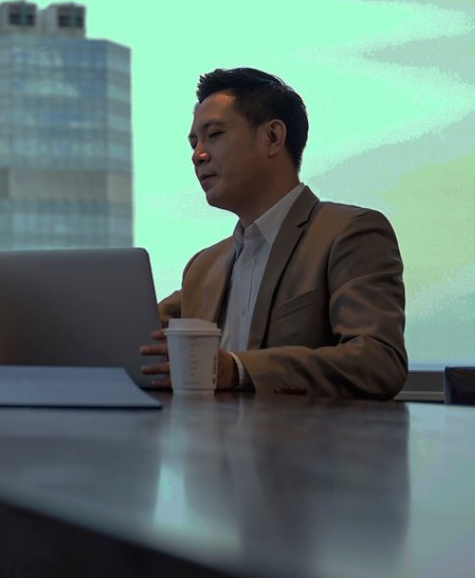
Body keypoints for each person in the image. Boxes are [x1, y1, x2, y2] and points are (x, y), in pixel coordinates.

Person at [141, 68, 408, 399]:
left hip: (305, 447)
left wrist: (238, 369)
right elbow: (134, 336)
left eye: (215, 134)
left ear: (272, 137)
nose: (198, 155)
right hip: (207, 447)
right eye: (194, 143)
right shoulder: (204, 266)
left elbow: (378, 361)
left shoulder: (351, 232)